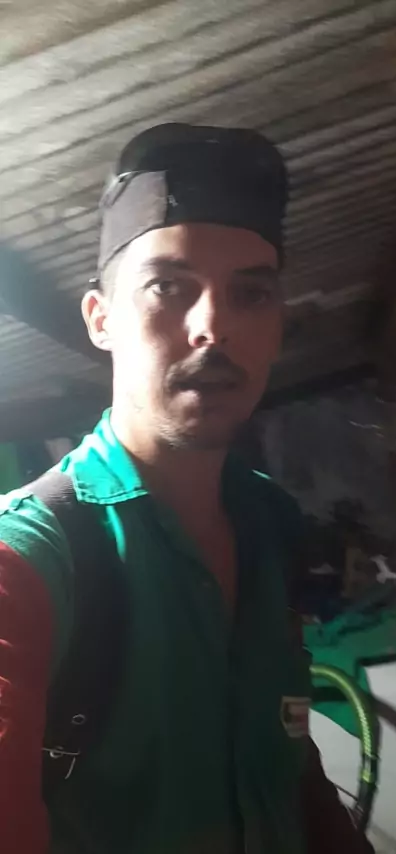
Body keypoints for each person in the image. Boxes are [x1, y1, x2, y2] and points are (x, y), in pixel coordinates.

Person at [0, 123, 373, 854]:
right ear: (101, 320)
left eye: (251, 294)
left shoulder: (269, 523)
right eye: (168, 287)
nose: (213, 327)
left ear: (277, 326)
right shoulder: (29, 563)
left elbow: (284, 755)